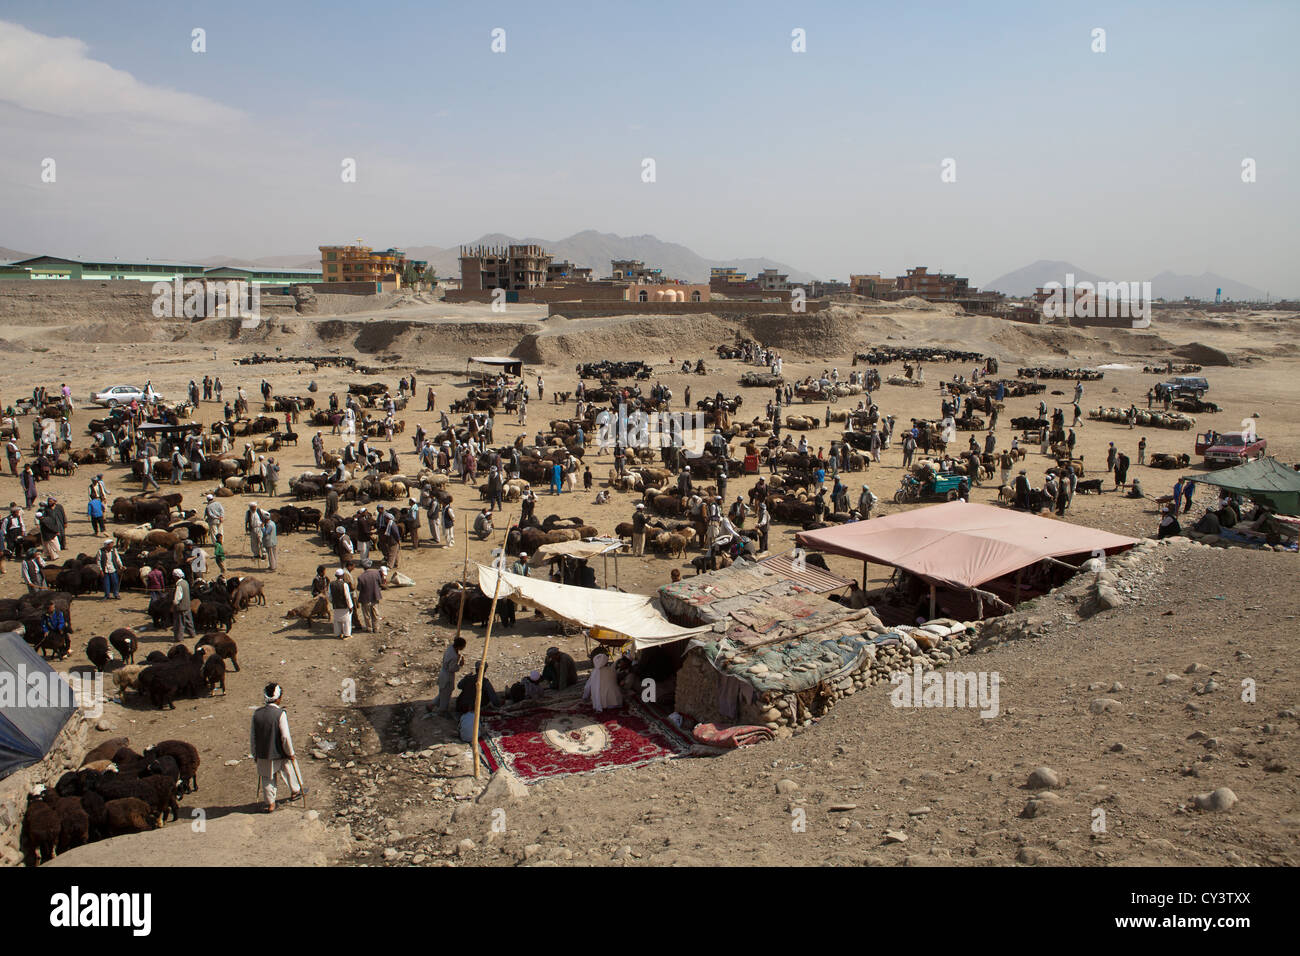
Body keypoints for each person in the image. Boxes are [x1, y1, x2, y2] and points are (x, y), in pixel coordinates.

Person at [250, 683, 305, 813]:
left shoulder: (256, 714)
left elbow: (252, 737)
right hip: (279, 751)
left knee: (267, 778)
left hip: (263, 753)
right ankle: (296, 790)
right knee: (289, 767)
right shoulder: (280, 714)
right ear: (278, 698)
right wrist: (290, 752)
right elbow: (285, 736)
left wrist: (254, 754)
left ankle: (270, 804)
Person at [436, 637, 466, 716]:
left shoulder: (450, 648)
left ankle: (431, 705)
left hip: (443, 673)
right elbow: (452, 668)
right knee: (445, 695)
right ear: (460, 646)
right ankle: (442, 711)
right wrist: (460, 665)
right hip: (447, 677)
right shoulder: (453, 656)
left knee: (442, 692)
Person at [357, 564, 387, 632]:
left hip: (365, 598)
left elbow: (359, 588)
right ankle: (376, 628)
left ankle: (369, 628)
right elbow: (380, 584)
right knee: (375, 613)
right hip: (374, 597)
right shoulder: (377, 574)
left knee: (366, 614)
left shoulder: (360, 577)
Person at [329, 568, 354, 639]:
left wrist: (333, 602)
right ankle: (347, 634)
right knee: (346, 621)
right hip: (344, 605)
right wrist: (350, 606)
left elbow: (329, 596)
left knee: (337, 621)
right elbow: (347, 596)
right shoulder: (344, 584)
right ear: (342, 575)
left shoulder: (331, 584)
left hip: (336, 605)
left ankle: (337, 634)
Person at [171, 568, 196, 640]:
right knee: (189, 621)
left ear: (176, 576)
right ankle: (192, 633)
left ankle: (179, 637)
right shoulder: (185, 582)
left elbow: (177, 598)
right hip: (187, 605)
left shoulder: (179, 585)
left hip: (180, 607)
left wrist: (173, 606)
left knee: (179, 623)